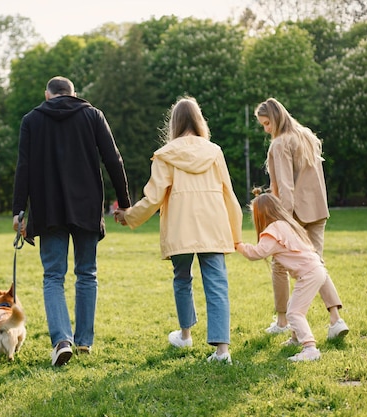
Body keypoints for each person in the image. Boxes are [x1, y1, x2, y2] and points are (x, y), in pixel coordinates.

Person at [12, 76, 131, 366]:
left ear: (47, 94)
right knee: (86, 273)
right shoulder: (92, 115)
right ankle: (84, 343)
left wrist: (18, 209)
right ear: (74, 94)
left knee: (53, 276)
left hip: (48, 207)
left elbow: (23, 166)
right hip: (86, 206)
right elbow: (114, 159)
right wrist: (125, 203)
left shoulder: (32, 120)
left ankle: (61, 340)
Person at [114, 97, 242, 364]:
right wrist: (235, 232)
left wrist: (130, 216)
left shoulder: (166, 154)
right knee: (217, 285)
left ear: (173, 123)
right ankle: (222, 351)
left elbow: (153, 198)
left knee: (182, 278)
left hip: (181, 227)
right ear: (199, 120)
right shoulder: (215, 151)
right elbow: (228, 193)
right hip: (213, 225)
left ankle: (185, 335)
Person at [254, 97, 348, 339]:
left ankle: (284, 321)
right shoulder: (307, 136)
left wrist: (282, 220)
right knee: (315, 264)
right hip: (318, 210)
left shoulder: (280, 143)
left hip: (294, 213)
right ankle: (335, 319)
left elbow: (285, 186)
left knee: (280, 264)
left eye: (266, 124)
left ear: (274, 119)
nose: (266, 130)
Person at [236, 192, 346, 361]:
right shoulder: (287, 224)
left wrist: (239, 245)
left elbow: (257, 253)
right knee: (295, 305)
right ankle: (295, 338)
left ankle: (310, 348)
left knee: (294, 313)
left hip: (309, 273)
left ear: (262, 214)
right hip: (316, 269)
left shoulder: (273, 231)